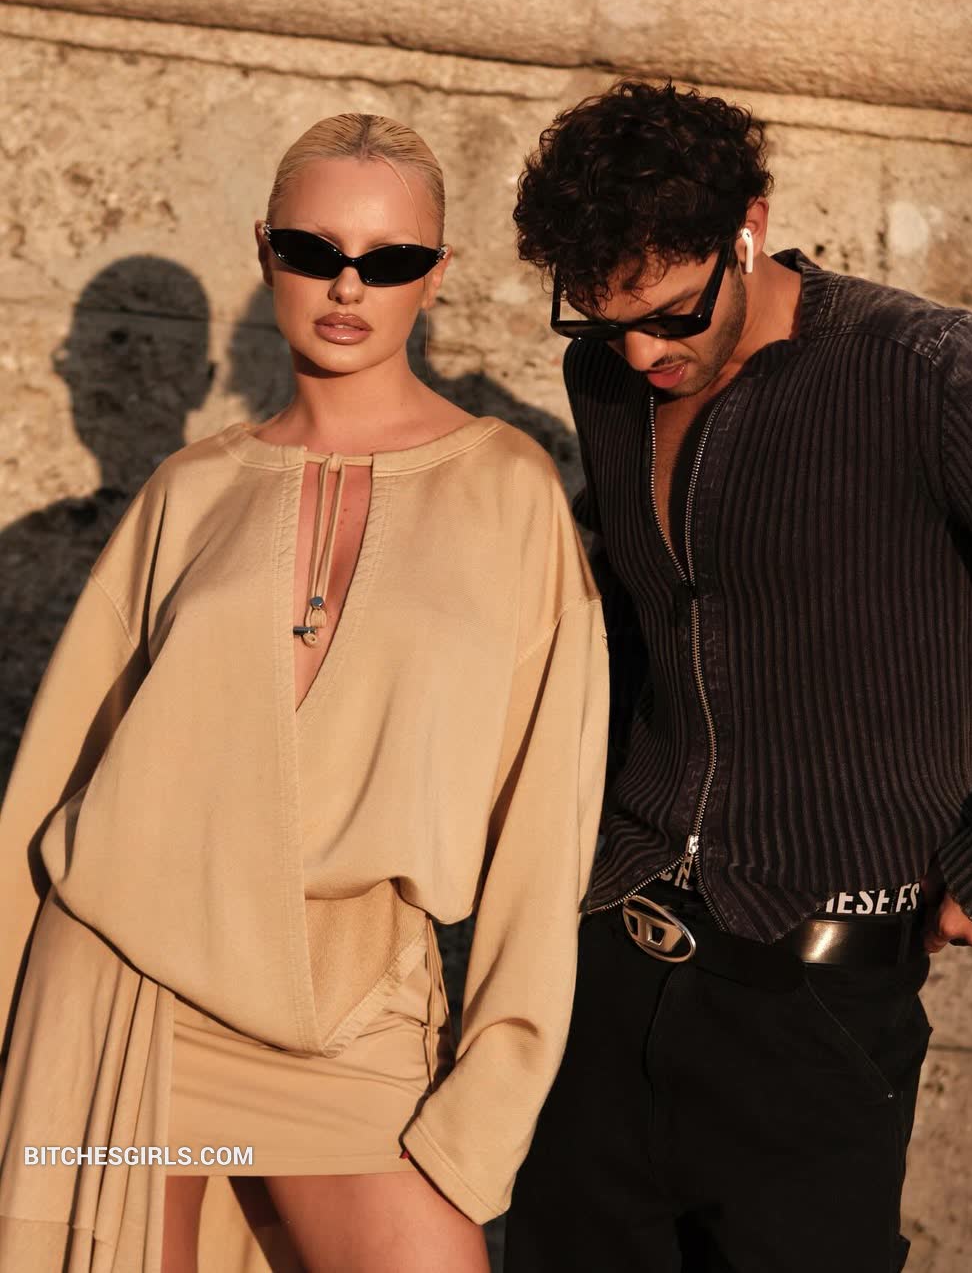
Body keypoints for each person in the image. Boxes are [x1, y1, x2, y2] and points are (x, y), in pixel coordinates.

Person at [0, 112, 608, 1273]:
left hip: (356, 1007)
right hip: (129, 990)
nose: (347, 284)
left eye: (388, 258)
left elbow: (547, 820)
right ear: (264, 250)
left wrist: (497, 1084)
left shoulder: (510, 492)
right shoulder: (190, 493)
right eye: (312, 249)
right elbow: (57, 780)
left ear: (435, 274)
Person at [504, 79, 972, 1273]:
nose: (641, 353)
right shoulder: (607, 379)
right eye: (602, 324)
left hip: (818, 999)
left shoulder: (921, 368)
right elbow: (635, 622)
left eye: (670, 313)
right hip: (608, 966)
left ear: (749, 228)